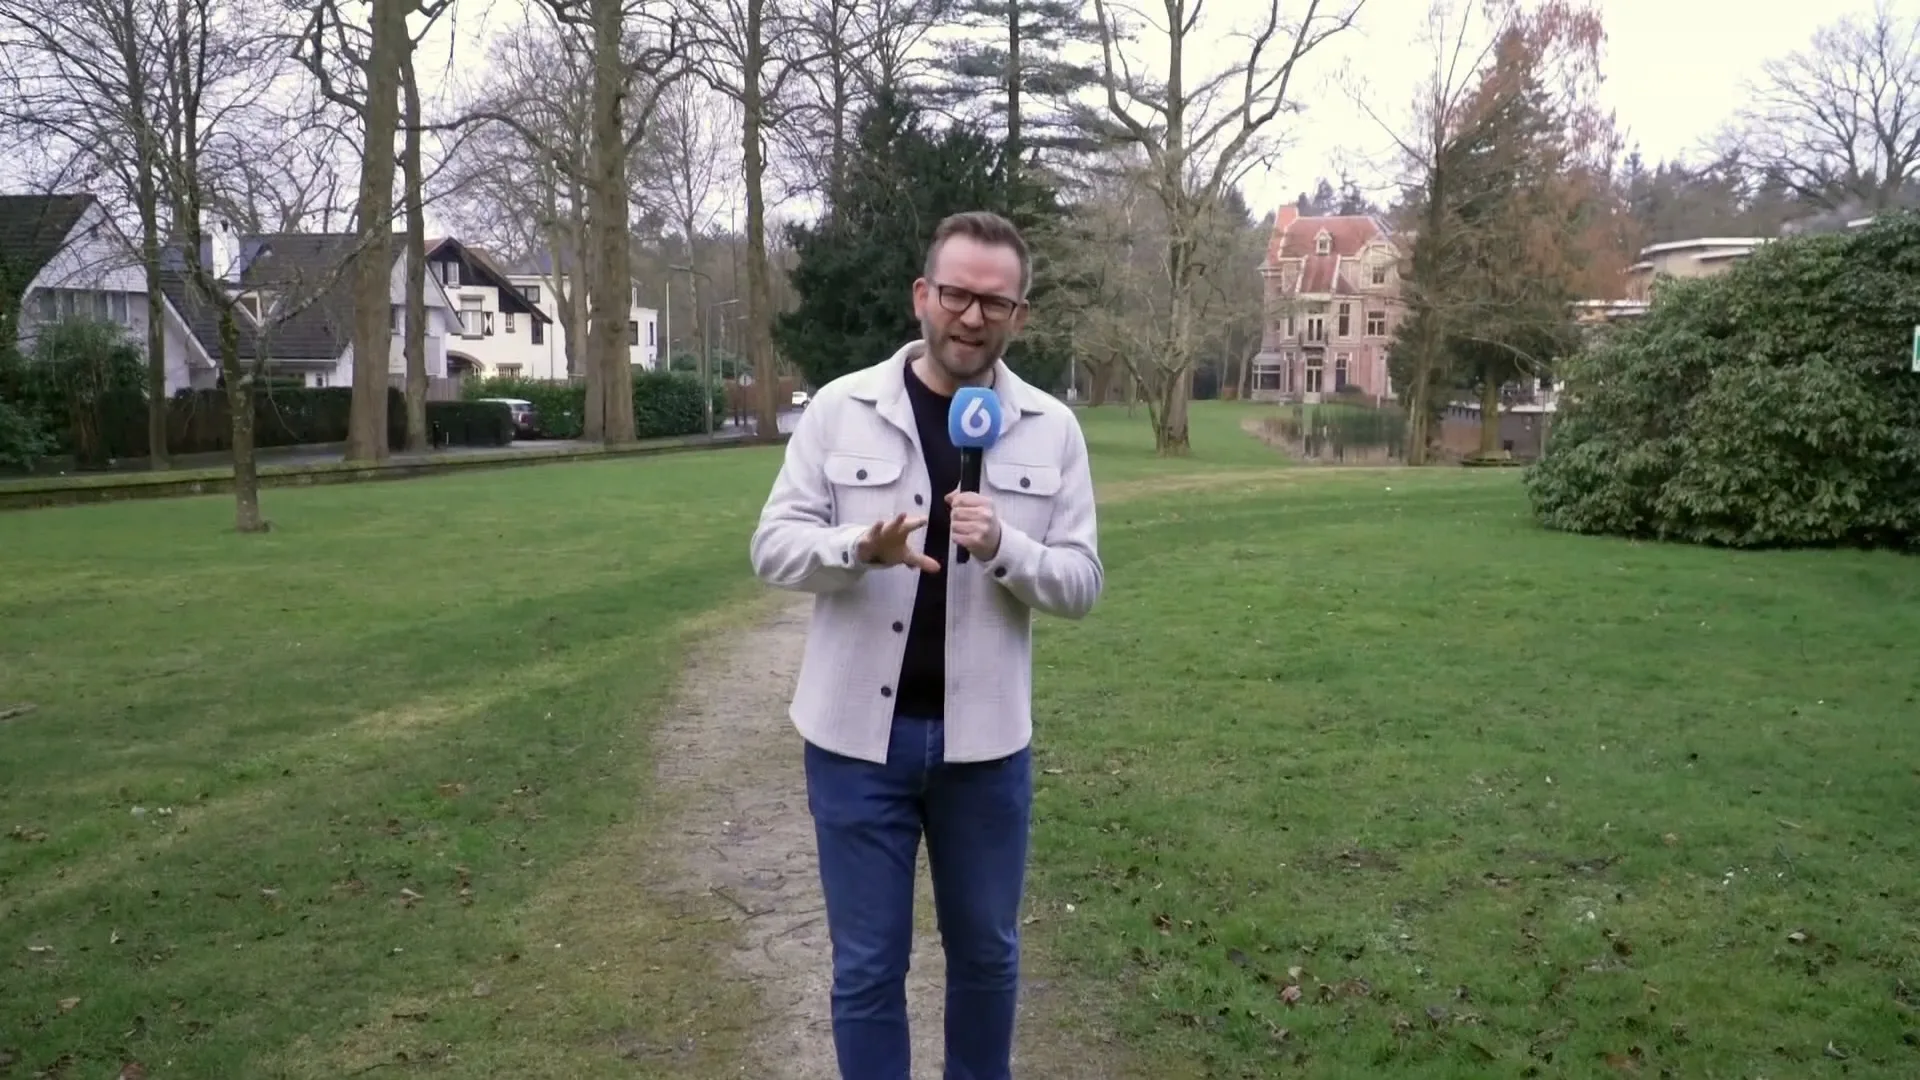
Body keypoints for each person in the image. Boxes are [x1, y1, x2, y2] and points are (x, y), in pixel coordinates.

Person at [748, 210, 1103, 1080]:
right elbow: (772, 548)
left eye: (994, 301)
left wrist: (1007, 548)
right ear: (923, 296)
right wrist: (856, 550)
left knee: (986, 958)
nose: (971, 317)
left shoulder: (1050, 427)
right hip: (854, 747)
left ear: (1019, 314)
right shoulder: (840, 410)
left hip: (985, 751)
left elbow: (1083, 582)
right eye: (956, 294)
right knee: (868, 970)